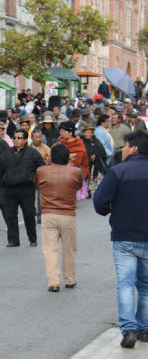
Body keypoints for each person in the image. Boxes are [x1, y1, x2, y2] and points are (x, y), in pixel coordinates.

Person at [93, 130, 148, 348]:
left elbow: (99, 203)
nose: (122, 150)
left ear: (134, 148)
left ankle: (129, 330)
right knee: (145, 285)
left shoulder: (118, 172)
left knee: (125, 283)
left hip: (125, 236)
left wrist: (110, 208)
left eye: (124, 147)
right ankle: (144, 328)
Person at [35, 144, 83, 293]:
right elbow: (78, 186)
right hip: (68, 214)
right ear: (67, 157)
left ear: (51, 157)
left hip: (48, 213)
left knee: (50, 250)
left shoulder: (41, 171)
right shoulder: (75, 172)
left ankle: (53, 282)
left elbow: (37, 185)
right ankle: (70, 279)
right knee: (69, 249)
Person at [0, 129, 45, 247]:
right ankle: (13, 240)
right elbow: (0, 169)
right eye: (14, 138)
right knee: (10, 215)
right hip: (9, 188)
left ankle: (32, 238)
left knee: (29, 213)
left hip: (26, 188)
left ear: (25, 140)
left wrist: (34, 179)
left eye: (19, 138)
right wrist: (3, 180)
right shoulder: (7, 153)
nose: (16, 140)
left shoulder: (32, 153)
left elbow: (42, 168)